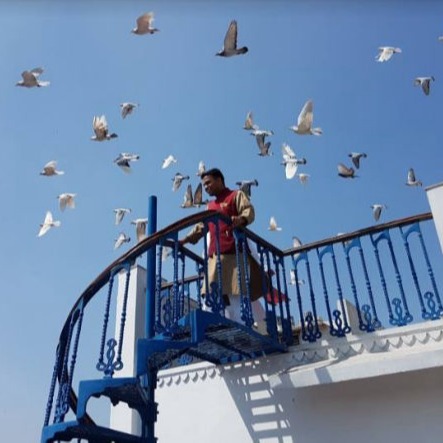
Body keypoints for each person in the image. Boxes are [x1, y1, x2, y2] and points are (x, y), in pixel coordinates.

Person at [179, 168, 264, 323]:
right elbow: (201, 227)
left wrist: (241, 219)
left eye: (208, 183)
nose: (206, 188)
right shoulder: (210, 206)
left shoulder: (236, 195)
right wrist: (185, 240)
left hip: (233, 255)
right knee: (210, 296)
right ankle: (211, 326)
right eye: (204, 185)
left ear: (219, 180)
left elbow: (248, 211)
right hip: (214, 257)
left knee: (235, 296)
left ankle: (241, 329)